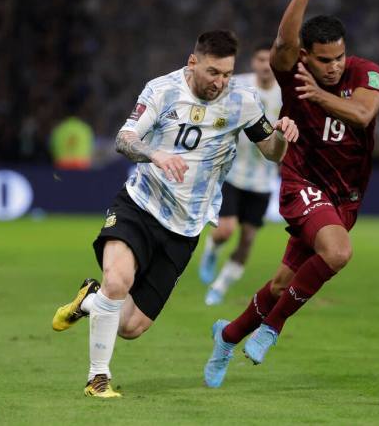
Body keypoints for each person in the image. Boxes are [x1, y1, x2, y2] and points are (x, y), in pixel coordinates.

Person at [51, 30, 299, 398]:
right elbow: (124, 138)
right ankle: (97, 378)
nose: (221, 82)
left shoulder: (242, 102)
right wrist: (156, 154)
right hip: (140, 204)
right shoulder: (162, 90)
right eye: (214, 72)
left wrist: (284, 133)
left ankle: (89, 299)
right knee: (117, 281)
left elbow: (273, 153)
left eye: (227, 74)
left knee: (131, 326)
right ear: (193, 62)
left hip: (186, 225)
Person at [203, 0, 379, 388]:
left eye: (339, 57)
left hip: (347, 197)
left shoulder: (366, 72)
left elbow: (361, 115)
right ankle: (271, 329)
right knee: (338, 253)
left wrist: (320, 97)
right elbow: (283, 46)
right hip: (302, 182)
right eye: (325, 60)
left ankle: (226, 336)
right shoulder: (293, 69)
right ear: (308, 56)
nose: (335, 65)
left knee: (284, 283)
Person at [198, 42, 283, 306]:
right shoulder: (238, 85)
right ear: (253, 63)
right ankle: (211, 250)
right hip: (233, 172)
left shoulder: (286, 93)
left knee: (247, 240)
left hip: (263, 179)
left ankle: (219, 287)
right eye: (260, 59)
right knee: (225, 230)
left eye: (270, 60)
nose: (265, 66)